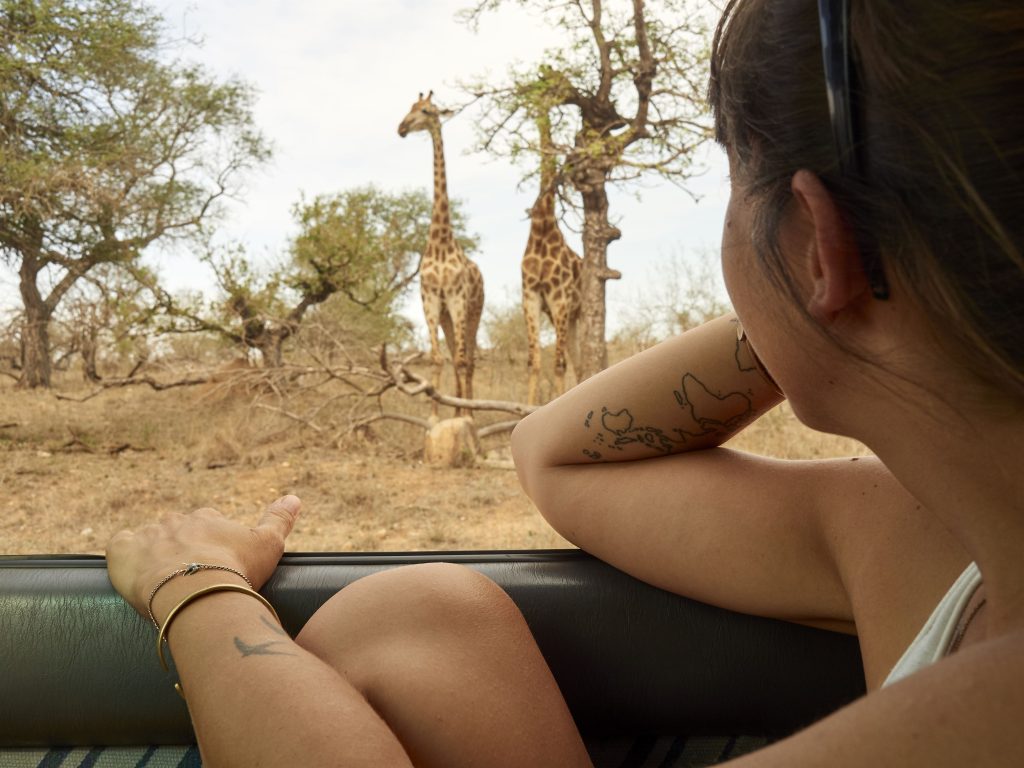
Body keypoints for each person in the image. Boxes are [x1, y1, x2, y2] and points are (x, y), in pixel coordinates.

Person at [106, 0, 1024, 765]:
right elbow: (555, 455)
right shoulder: (937, 540)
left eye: (737, 187)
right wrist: (866, 294)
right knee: (419, 616)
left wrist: (201, 589)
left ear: (812, 242)